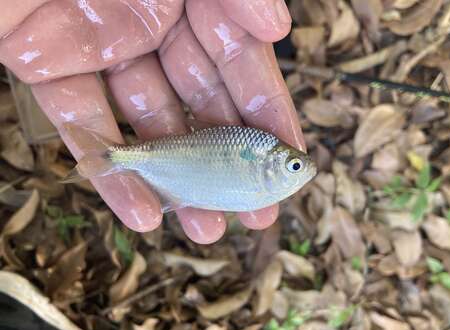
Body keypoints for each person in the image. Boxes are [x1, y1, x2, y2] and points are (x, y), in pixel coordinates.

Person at [0, 0, 304, 245]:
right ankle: (109, 156)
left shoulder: (258, 153)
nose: (300, 169)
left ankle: (107, 156)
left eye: (296, 165)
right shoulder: (259, 154)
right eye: (294, 166)